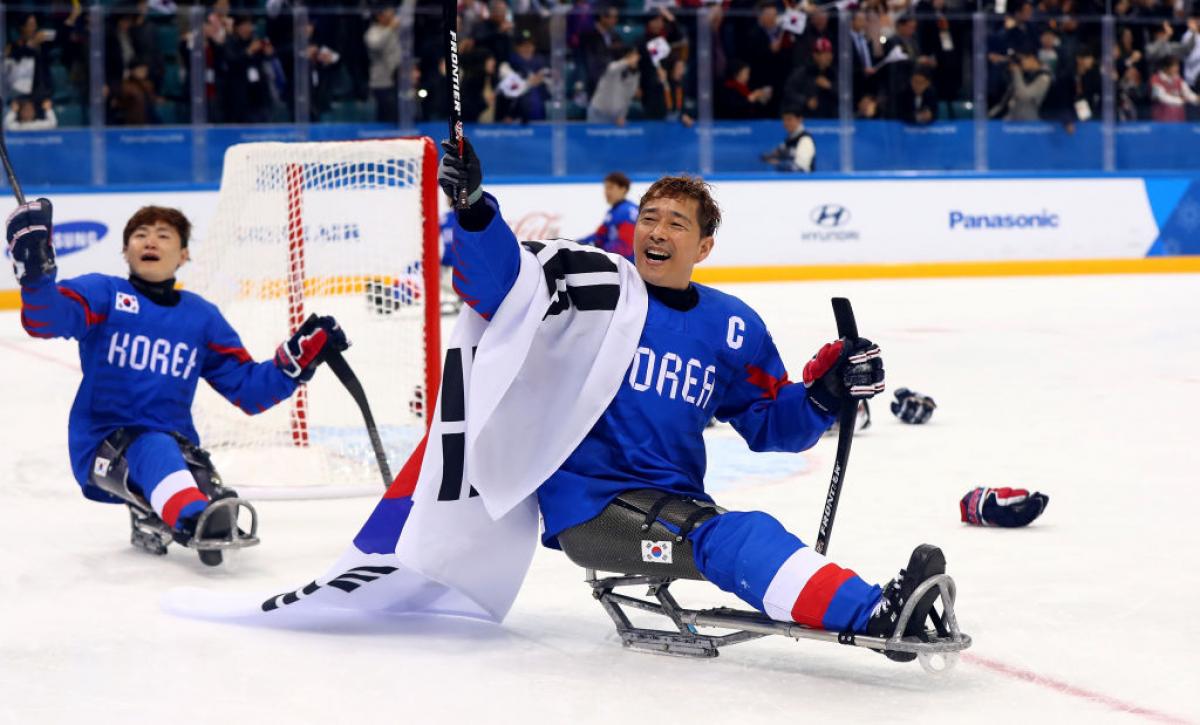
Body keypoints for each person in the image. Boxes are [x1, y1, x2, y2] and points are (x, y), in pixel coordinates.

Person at [437, 138, 951, 657]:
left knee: (730, 534)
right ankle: (876, 617)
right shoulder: (595, 292)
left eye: (677, 223)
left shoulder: (731, 327)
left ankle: (871, 609)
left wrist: (824, 393)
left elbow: (773, 425)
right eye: (649, 218)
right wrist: (474, 206)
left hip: (674, 504)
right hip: (591, 509)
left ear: (703, 248)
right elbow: (498, 284)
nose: (657, 232)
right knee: (735, 536)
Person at [5, 201, 348, 563]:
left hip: (176, 445)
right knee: (163, 463)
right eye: (140, 235)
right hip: (103, 444)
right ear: (126, 251)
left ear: (183, 255)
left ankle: (165, 506)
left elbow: (248, 391)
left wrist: (293, 362)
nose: (150, 241)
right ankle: (186, 514)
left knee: (215, 500)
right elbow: (45, 321)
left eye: (163, 235)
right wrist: (36, 275)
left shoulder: (201, 318)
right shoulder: (103, 295)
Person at [578, 171, 637, 259]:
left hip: (627, 266)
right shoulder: (613, 212)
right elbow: (600, 236)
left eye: (611, 187)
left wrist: (599, 250)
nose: (606, 192)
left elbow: (626, 246)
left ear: (623, 189)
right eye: (605, 188)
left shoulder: (627, 212)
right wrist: (579, 243)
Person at [762, 107, 816, 172]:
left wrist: (778, 163)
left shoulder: (805, 139)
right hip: (788, 180)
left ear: (800, 119)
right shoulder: (787, 140)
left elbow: (801, 168)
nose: (786, 123)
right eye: (784, 120)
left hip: (803, 181)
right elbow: (773, 154)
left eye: (789, 119)